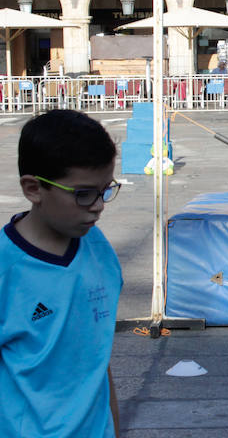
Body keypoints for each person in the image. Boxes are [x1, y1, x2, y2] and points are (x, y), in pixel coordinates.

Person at [1, 109, 122, 437]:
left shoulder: (98, 249)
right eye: (83, 194)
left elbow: (98, 358)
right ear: (34, 189)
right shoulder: (6, 270)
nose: (98, 205)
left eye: (106, 189)